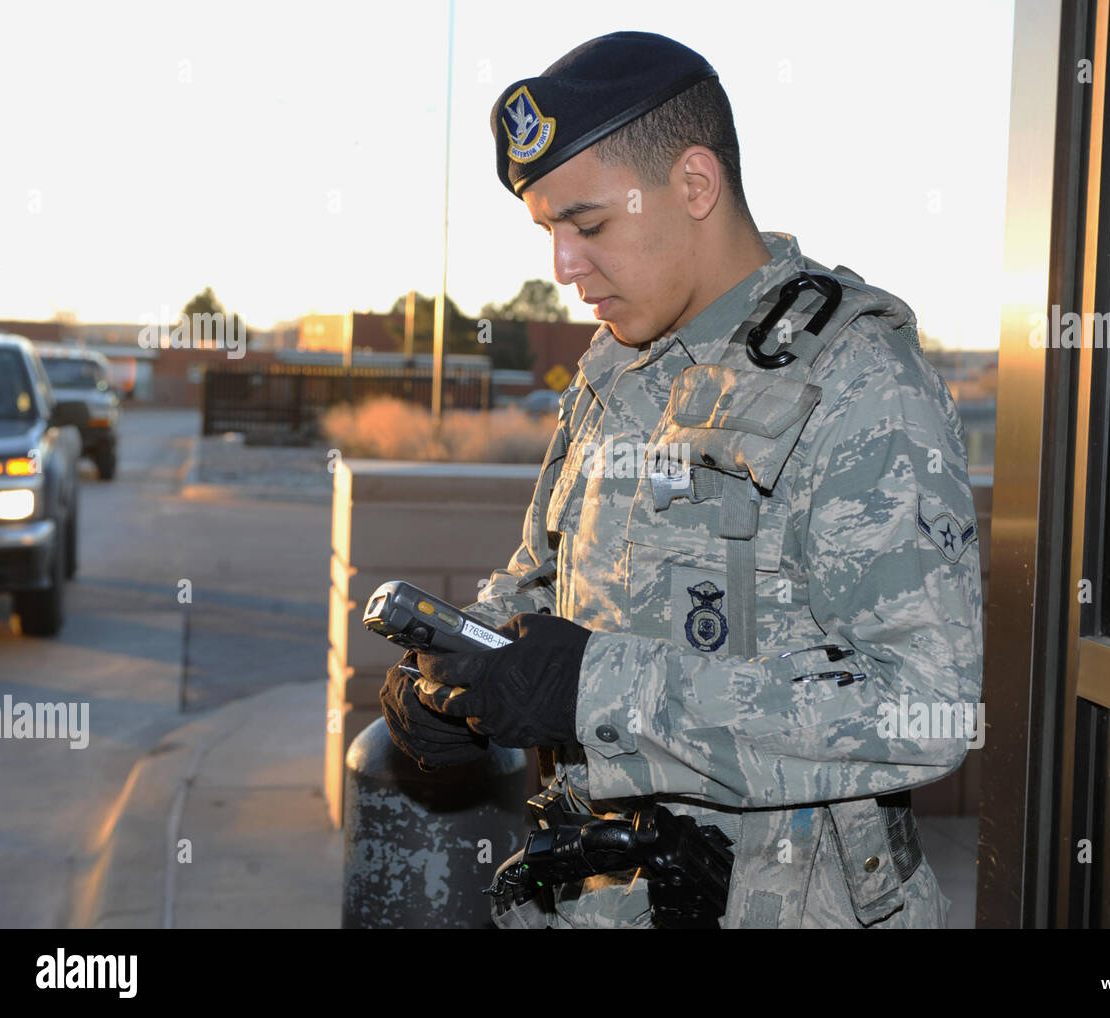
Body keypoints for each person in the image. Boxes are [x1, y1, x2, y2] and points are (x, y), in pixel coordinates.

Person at [380, 30, 983, 929]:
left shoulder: (858, 382)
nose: (564, 267)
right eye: (550, 232)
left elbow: (927, 706)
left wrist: (593, 692)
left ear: (695, 185)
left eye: (588, 226)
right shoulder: (616, 367)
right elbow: (542, 575)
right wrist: (459, 678)